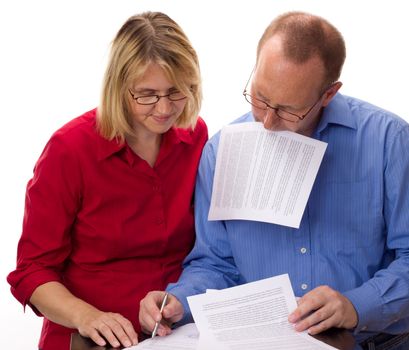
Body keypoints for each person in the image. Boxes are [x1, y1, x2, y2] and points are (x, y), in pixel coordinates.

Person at [139, 11, 409, 350]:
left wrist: (356, 304)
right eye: (260, 98)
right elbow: (215, 263)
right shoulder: (221, 151)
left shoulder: (389, 141)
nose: (266, 122)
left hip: (373, 343)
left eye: (288, 110)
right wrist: (179, 300)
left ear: (328, 94)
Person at [7, 11, 207, 350]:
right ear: (119, 87)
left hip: (175, 333)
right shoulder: (69, 149)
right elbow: (32, 271)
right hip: (87, 335)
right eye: (147, 94)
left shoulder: (195, 137)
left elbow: (207, 248)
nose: (163, 109)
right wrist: (88, 316)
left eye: (176, 92)